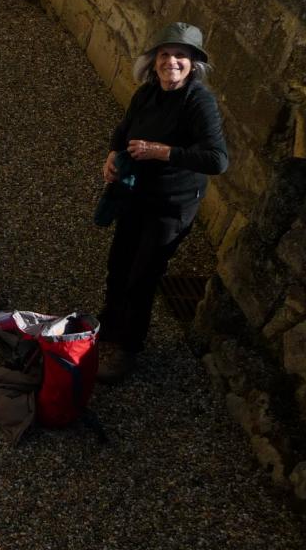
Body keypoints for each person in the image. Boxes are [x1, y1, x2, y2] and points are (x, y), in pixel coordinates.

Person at [98, 22, 228, 382]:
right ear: (154, 60)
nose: (172, 61)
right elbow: (125, 129)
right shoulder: (148, 93)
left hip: (172, 204)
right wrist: (113, 154)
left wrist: (163, 152)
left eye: (181, 56)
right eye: (165, 54)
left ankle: (128, 349)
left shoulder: (198, 101)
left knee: (143, 275)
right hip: (136, 192)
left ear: (194, 64)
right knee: (119, 263)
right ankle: (108, 325)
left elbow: (218, 160)